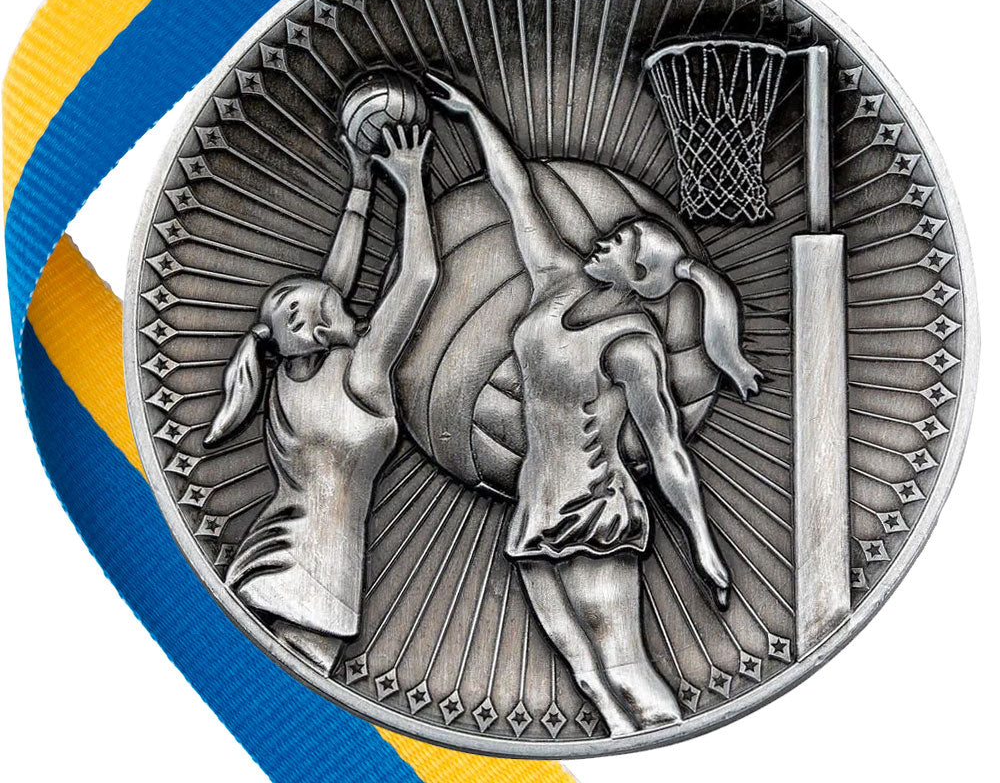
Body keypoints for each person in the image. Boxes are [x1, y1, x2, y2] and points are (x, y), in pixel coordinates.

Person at [426, 73, 760, 734]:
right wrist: (474, 115)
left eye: (625, 241)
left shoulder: (633, 345)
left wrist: (702, 544)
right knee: (587, 678)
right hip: (535, 504)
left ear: (639, 276)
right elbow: (517, 191)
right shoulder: (556, 279)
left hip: (594, 513)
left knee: (626, 668)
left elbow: (667, 452)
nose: (608, 235)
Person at [203, 126, 437, 676]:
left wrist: (361, 184)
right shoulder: (361, 371)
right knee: (280, 700)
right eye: (323, 303)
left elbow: (333, 279)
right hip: (315, 581)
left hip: (275, 558)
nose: (324, 289)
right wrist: (412, 184)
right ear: (313, 330)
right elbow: (419, 275)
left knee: (248, 685)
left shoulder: (290, 371)